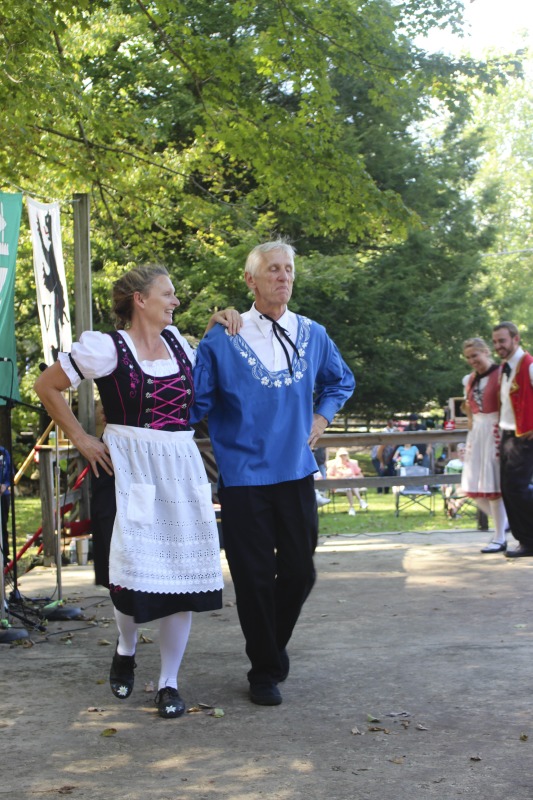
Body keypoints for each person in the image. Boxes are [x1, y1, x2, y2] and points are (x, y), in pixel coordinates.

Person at [34, 265, 241, 719]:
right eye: (168, 294)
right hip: (127, 468)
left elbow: (205, 368)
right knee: (128, 578)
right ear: (139, 299)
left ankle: (169, 682)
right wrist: (82, 439)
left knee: (182, 576)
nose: (176, 301)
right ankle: (126, 646)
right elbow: (46, 386)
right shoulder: (106, 347)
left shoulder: (180, 345)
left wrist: (217, 325)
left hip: (178, 469)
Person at [191, 240, 355, 706]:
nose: (283, 277)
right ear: (251, 280)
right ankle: (264, 670)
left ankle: (270, 653)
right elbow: (195, 403)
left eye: (288, 269)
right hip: (243, 476)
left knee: (300, 571)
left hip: (296, 470)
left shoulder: (312, 332)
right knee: (254, 576)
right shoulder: (222, 338)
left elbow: (340, 380)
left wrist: (321, 419)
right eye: (272, 270)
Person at [461, 337, 508, 553]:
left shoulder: (501, 375)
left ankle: (499, 536)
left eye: (475, 356)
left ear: (486, 352)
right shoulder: (469, 380)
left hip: (495, 430)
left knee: (493, 487)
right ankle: (506, 523)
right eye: (469, 357)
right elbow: (470, 411)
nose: (472, 360)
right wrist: (468, 440)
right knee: (472, 488)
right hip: (477, 433)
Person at [492, 321, 533, 558]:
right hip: (507, 434)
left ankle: (528, 541)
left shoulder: (528, 365)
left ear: (515, 339)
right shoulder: (506, 366)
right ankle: (524, 540)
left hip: (524, 436)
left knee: (518, 488)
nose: (498, 346)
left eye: (502, 341)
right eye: (496, 341)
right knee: (508, 489)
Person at [327, 447, 368, 515]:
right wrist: (339, 477)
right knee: (348, 485)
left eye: (345, 455)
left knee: (349, 485)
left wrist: (353, 477)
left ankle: (352, 508)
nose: (343, 457)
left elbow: (361, 475)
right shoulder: (334, 465)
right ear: (338, 456)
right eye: (341, 455)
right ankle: (360, 501)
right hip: (339, 485)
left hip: (352, 484)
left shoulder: (352, 464)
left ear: (347, 456)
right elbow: (328, 476)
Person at [370, 419, 397, 494]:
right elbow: (379, 452)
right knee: (381, 472)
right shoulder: (386, 441)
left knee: (390, 472)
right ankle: (379, 491)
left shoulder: (396, 443)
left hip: (387, 457)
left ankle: (386, 491)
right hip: (377, 457)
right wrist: (382, 463)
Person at [0, 445, 11, 565]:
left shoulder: (3, 452)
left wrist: (5, 485)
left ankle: (4, 556)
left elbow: (9, 472)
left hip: (4, 494)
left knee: (3, 525)